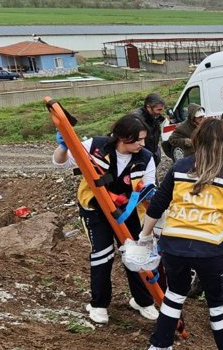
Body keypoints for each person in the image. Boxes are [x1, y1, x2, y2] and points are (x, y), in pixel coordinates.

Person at [138, 118, 223, 350]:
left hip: (175, 244)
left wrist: (144, 236)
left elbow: (158, 203)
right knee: (218, 301)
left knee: (174, 293)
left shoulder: (180, 166)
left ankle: (158, 346)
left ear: (198, 139)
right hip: (211, 247)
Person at [53, 114, 159, 325]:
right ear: (122, 137)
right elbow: (59, 163)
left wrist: (148, 203)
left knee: (135, 254)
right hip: (95, 208)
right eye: (137, 139)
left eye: (144, 139)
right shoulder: (95, 146)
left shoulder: (146, 158)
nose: (142, 144)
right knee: (103, 254)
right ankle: (99, 304)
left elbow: (149, 187)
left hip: (127, 211)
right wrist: (64, 146)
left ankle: (142, 301)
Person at [135, 93, 167, 165]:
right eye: (158, 110)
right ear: (148, 107)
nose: (160, 113)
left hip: (152, 153)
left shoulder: (154, 116)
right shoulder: (137, 120)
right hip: (141, 157)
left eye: (161, 110)